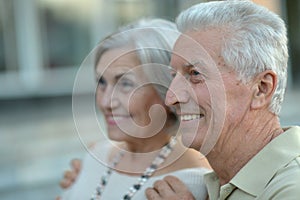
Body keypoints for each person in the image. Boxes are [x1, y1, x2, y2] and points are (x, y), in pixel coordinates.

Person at [145, 1, 300, 200]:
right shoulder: (216, 183)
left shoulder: (292, 187)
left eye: (194, 74)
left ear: (261, 88)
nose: (171, 98)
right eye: (173, 76)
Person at [58, 18, 211, 200]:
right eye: (102, 82)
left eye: (125, 84)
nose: (106, 102)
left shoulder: (191, 181)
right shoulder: (94, 157)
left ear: (169, 90)